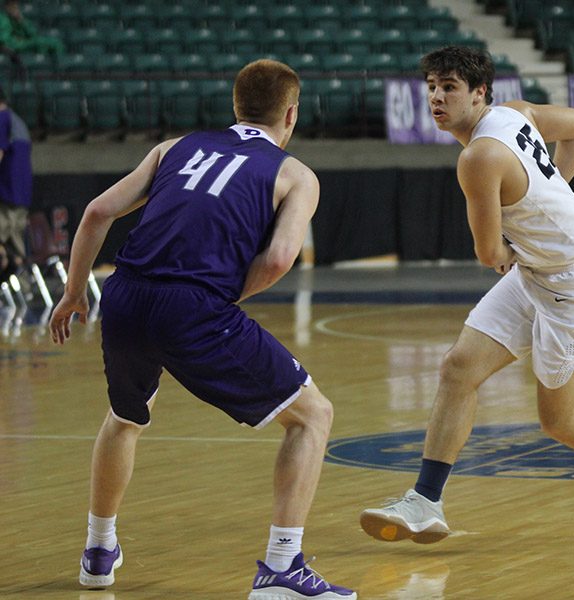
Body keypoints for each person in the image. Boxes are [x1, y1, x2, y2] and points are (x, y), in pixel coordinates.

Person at [48, 60, 355, 600]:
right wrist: (214, 299)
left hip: (124, 295)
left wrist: (74, 293)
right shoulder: (295, 174)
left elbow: (97, 212)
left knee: (124, 416)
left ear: (236, 106)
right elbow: (282, 258)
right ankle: (282, 569)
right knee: (313, 417)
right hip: (192, 306)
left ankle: (98, 550)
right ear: (291, 113)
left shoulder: (174, 146)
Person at [359, 46, 574, 546]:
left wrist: (529, 217)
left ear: (478, 93)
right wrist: (552, 189)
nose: (436, 97)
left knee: (561, 421)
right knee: (458, 368)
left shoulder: (479, 157)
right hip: (539, 271)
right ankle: (425, 502)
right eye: (431, 87)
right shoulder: (517, 113)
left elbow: (490, 252)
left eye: (449, 87)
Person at [0, 83, 31, 273]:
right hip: (22, 194)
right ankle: (22, 291)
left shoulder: (2, 118)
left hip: (6, 193)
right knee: (17, 248)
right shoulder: (18, 121)